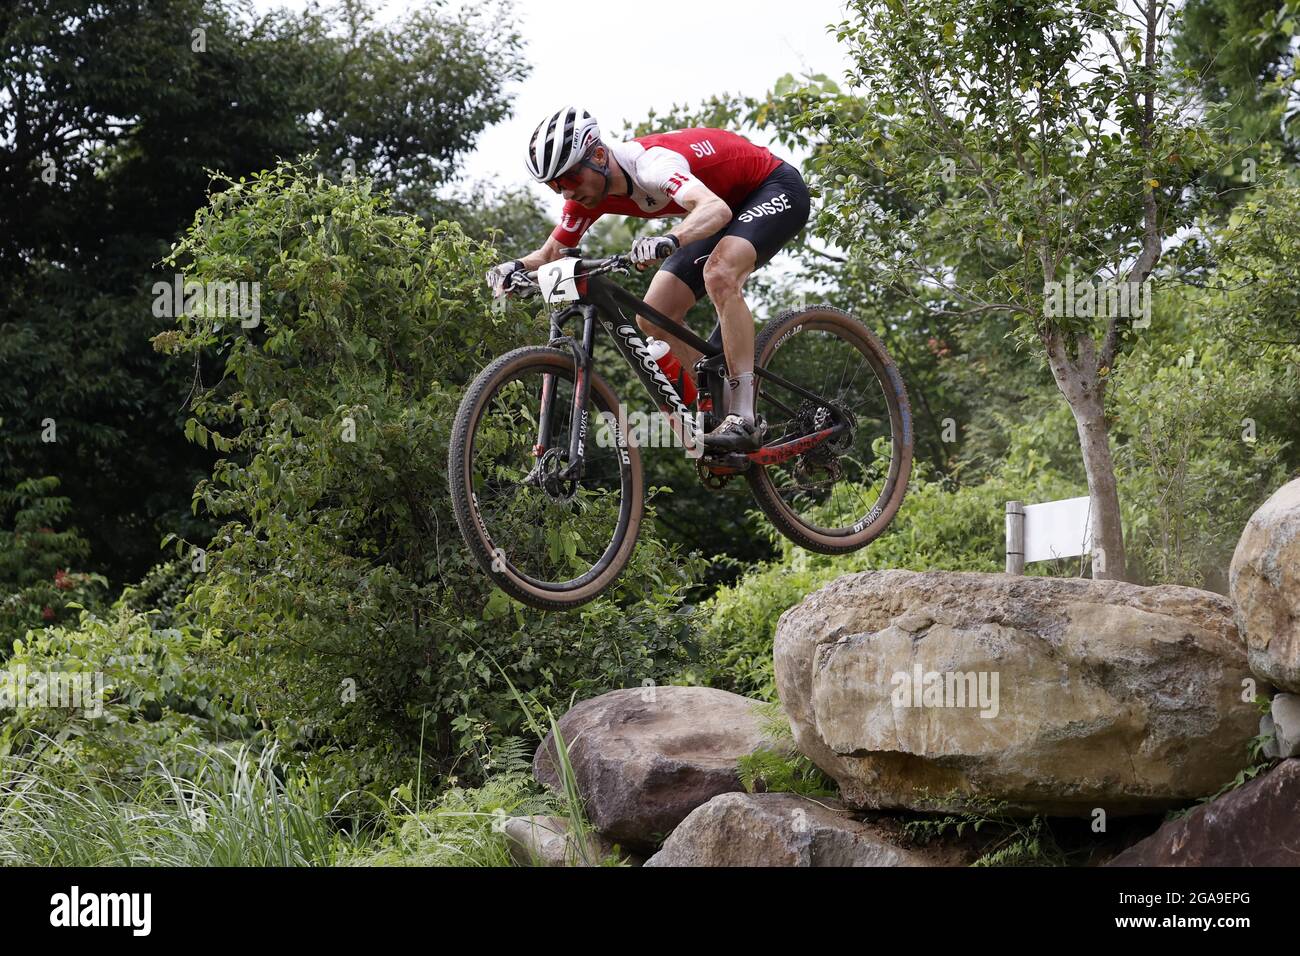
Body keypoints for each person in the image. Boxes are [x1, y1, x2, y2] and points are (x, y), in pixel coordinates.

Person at [486, 106, 810, 452]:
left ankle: (744, 416)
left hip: (772, 187)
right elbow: (550, 253)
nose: (566, 193)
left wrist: (670, 239)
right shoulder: (588, 193)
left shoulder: (651, 166)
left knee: (719, 272)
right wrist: (513, 267)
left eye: (569, 180)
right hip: (718, 207)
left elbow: (714, 209)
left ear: (598, 155)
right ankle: (720, 404)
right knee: (654, 314)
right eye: (555, 186)